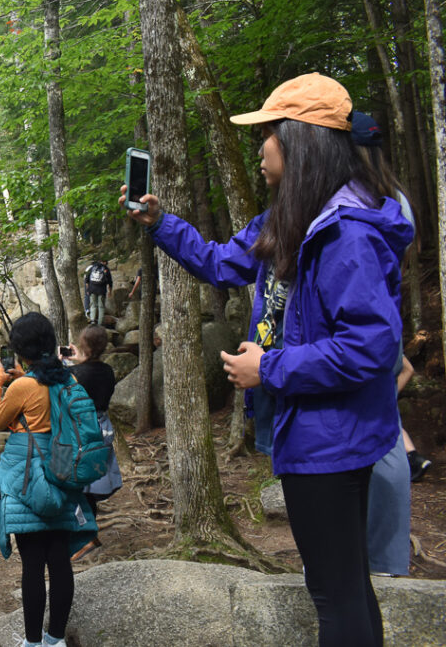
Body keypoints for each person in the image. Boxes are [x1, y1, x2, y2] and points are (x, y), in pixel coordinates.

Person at [122, 73, 412, 647]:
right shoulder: (290, 219)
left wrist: (269, 368)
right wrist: (158, 223)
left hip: (333, 443)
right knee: (348, 588)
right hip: (319, 434)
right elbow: (218, 261)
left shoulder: (345, 232)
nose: (260, 149)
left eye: (269, 134)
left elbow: (371, 347)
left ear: (299, 141)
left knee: (336, 595)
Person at [0, 312, 98, 647]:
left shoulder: (22, 386)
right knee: (59, 561)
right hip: (62, 471)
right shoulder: (69, 381)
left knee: (32, 566)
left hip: (28, 476)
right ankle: (55, 638)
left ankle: (32, 643)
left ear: (20, 350)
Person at [351, 111, 433, 484]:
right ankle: (408, 458)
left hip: (363, 313)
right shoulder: (396, 197)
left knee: (371, 404)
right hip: (388, 311)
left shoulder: (352, 201)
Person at [351, 112, 413, 577]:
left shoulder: (347, 208)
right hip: (387, 328)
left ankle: (361, 563)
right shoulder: (397, 202)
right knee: (387, 439)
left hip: (361, 332)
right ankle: (388, 563)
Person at [61, 325, 120, 561]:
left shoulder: (76, 374)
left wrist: (67, 362)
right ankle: (87, 533)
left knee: (75, 485)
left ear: (83, 346)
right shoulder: (107, 370)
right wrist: (77, 359)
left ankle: (84, 537)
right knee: (89, 486)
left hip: (82, 430)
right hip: (103, 428)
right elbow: (87, 373)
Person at [83, 259, 112, 325]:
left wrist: (87, 290)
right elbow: (110, 282)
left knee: (93, 305)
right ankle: (100, 323)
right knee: (101, 307)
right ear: (104, 262)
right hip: (102, 290)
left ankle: (92, 320)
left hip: (92, 290)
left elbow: (86, 280)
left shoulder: (92, 267)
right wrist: (110, 291)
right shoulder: (105, 268)